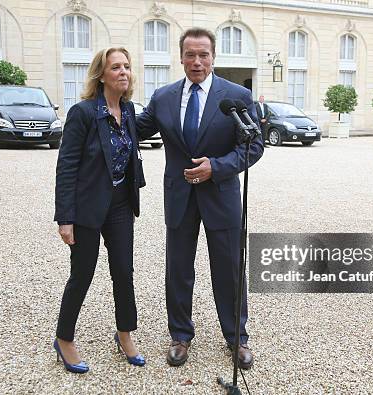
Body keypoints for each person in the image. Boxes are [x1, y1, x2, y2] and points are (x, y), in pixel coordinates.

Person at [136, 28, 264, 369]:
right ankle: (180, 335)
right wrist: (103, 108)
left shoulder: (236, 96)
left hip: (221, 196)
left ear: (213, 57)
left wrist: (217, 167)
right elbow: (135, 129)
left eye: (203, 54)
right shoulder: (162, 97)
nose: (196, 61)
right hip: (179, 196)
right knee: (178, 269)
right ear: (180, 57)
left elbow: (253, 145)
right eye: (190, 54)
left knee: (229, 270)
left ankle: (237, 338)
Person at [53, 47, 146, 373]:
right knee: (82, 274)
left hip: (120, 204)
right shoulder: (82, 113)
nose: (124, 72)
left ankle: (125, 333)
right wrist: (66, 217)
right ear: (101, 75)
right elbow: (66, 167)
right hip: (88, 207)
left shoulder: (129, 110)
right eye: (116, 67)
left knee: (124, 271)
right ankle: (64, 338)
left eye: (127, 66)